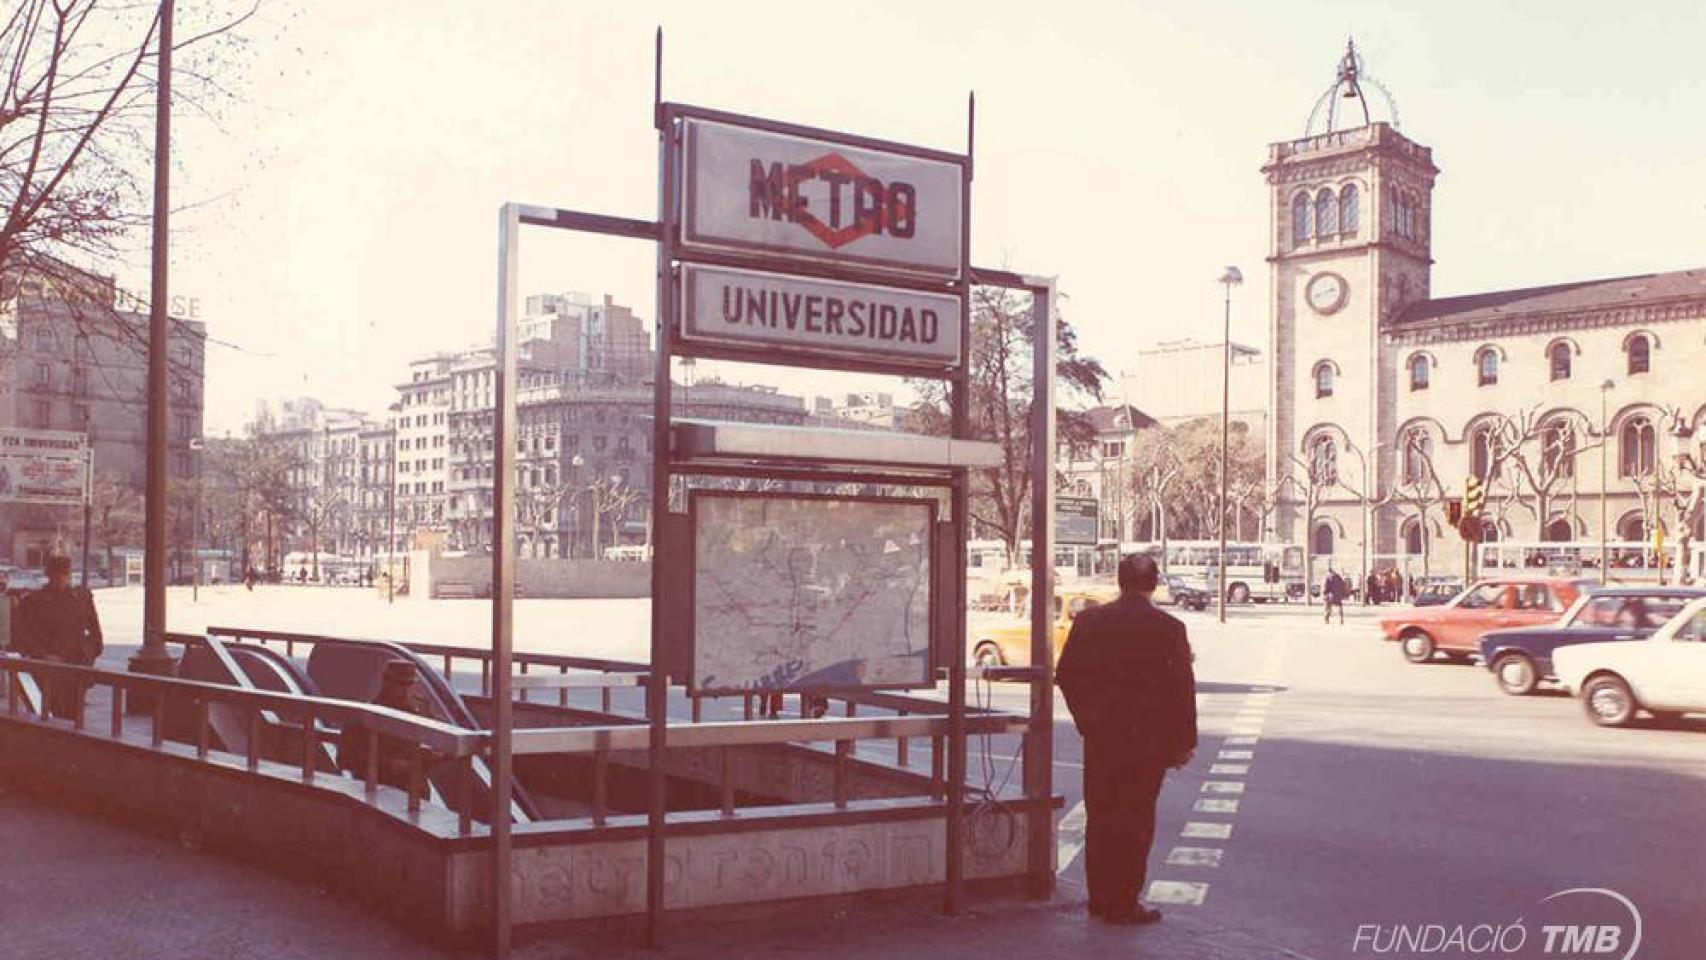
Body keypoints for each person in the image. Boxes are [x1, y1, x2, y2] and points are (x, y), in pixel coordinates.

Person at [1056, 554, 1197, 926]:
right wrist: (1184, 742)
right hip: (1148, 744)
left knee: (1101, 814)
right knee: (1136, 820)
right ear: (1153, 584)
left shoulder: (1090, 622)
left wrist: (1087, 720)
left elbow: (1066, 674)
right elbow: (1182, 690)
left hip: (1102, 739)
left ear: (1120, 582)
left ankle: (1099, 897)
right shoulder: (1169, 628)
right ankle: (1124, 900)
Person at [13, 555, 104, 718]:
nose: (61, 578)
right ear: (49, 575)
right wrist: (43, 655)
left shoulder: (81, 599)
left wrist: (87, 654)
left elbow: (96, 635)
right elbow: (23, 637)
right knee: (50, 714)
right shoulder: (34, 602)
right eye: (57, 574)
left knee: (74, 716)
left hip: (76, 665)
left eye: (64, 574)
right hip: (49, 667)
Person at [338, 659, 439, 790]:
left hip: (415, 791)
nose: (406, 690)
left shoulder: (421, 713)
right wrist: (389, 764)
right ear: (386, 682)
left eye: (410, 684)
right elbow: (344, 759)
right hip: (378, 790)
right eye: (400, 684)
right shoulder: (365, 716)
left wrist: (432, 755)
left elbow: (443, 743)